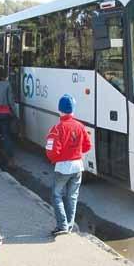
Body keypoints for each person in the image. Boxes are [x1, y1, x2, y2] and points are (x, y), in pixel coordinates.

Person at [45, 94, 91, 236]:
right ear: (73, 110)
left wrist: (56, 159)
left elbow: (51, 150)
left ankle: (62, 225)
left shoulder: (57, 128)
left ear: (60, 110)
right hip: (78, 166)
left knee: (56, 194)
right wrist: (76, 152)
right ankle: (69, 225)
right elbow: (87, 146)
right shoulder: (80, 126)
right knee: (72, 196)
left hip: (63, 167)